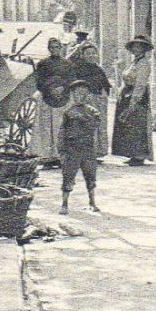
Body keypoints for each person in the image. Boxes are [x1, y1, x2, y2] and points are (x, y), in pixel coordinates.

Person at [58, 80, 102, 215]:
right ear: (72, 95)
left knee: (90, 176)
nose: (80, 97)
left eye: (83, 94)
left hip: (87, 149)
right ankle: (64, 204)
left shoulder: (93, 112)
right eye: (77, 94)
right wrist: (61, 149)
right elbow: (62, 131)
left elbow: (95, 125)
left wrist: (83, 118)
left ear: (88, 95)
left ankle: (92, 202)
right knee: (68, 176)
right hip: (71, 149)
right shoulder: (68, 112)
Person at [112, 35, 156, 165]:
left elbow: (140, 84)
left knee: (137, 124)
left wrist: (134, 101)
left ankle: (139, 155)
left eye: (140, 46)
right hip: (127, 94)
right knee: (129, 125)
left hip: (138, 96)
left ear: (144, 49)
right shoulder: (134, 62)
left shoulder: (143, 64)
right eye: (135, 46)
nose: (136, 48)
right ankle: (132, 153)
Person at [68, 41, 113, 161]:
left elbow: (105, 85)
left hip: (99, 102)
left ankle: (97, 152)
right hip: (86, 102)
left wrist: (103, 94)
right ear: (82, 56)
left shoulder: (99, 69)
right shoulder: (79, 69)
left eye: (93, 53)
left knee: (99, 126)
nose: (91, 56)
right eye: (88, 54)